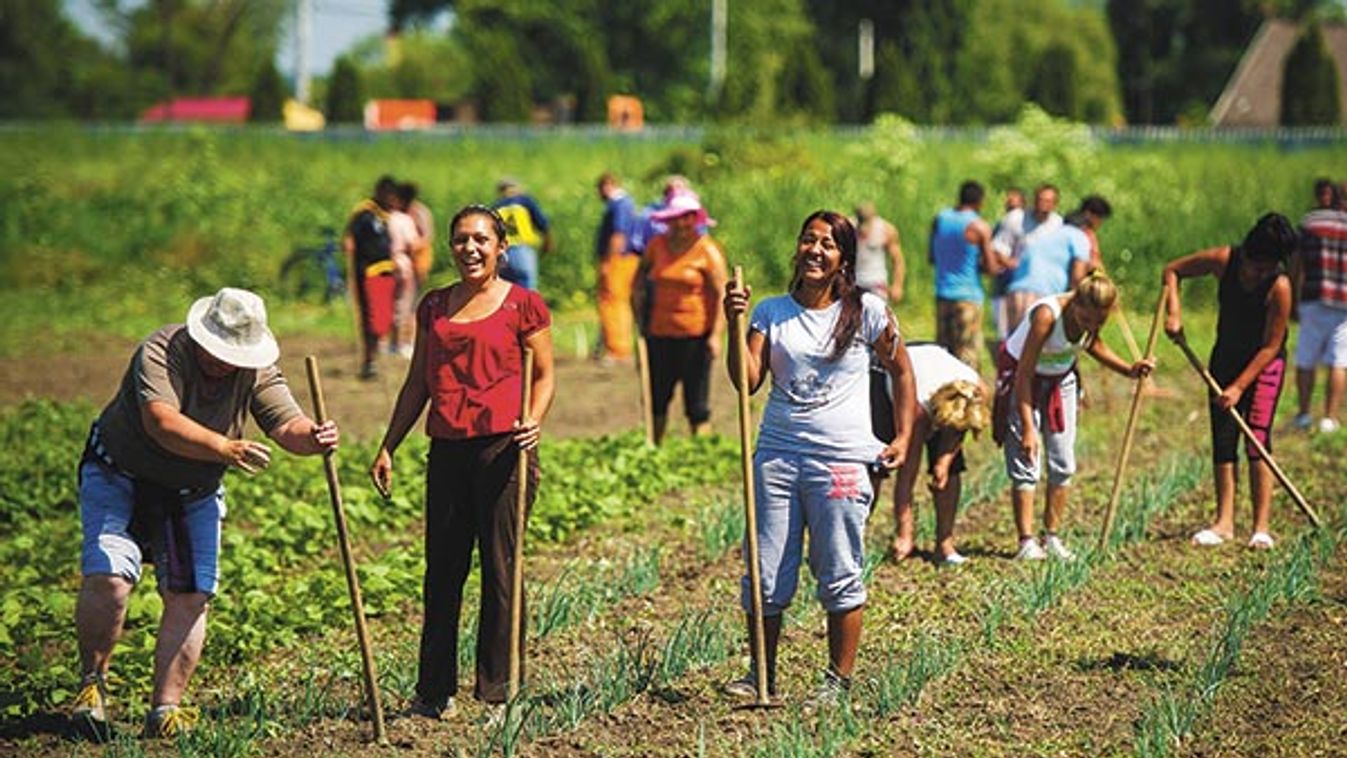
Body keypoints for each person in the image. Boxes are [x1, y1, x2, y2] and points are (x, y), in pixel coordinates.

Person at [70, 288, 339, 738]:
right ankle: (91, 687)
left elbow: (285, 424)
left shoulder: (255, 371)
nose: (221, 361)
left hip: (192, 487)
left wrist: (311, 437)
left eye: (232, 353)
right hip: (121, 472)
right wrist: (223, 446)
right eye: (215, 350)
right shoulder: (161, 351)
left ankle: (165, 708)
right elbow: (162, 422)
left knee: (191, 594)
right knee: (111, 578)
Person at [722, 210, 916, 705]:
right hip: (778, 459)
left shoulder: (868, 311)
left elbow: (903, 369)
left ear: (844, 259)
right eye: (808, 239)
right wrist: (732, 323)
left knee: (839, 568)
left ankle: (836, 682)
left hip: (844, 463)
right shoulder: (768, 312)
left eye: (828, 244)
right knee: (766, 572)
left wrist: (903, 435)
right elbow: (746, 381)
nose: (815, 250)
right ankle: (760, 674)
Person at [370, 205, 555, 718]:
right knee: (442, 573)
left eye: (480, 240)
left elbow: (543, 376)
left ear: (501, 248)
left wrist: (534, 419)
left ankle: (499, 688)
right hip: (448, 449)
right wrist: (390, 443)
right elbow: (418, 383)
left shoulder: (524, 306)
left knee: (501, 570)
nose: (469, 249)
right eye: (460, 240)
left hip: (504, 450)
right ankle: (433, 693)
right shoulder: (434, 308)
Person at [993, 273, 1153, 560]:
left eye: (1098, 322)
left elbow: (1093, 344)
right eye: (1086, 319)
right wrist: (1028, 427)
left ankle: (1051, 537)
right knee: (1026, 458)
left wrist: (1129, 369)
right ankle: (1026, 541)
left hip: (1061, 380)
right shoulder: (1047, 316)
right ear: (1075, 304)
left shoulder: (1092, 320)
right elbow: (1024, 375)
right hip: (1023, 381)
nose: (1091, 326)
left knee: (1063, 461)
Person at [1163, 214, 1296, 549]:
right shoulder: (1224, 260)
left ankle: (1261, 527)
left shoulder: (1279, 287)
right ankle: (1224, 523)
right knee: (1223, 439)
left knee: (1256, 439)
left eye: (1266, 268)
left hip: (1264, 366)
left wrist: (1239, 387)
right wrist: (1174, 312)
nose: (1257, 274)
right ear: (1247, 253)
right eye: (1254, 265)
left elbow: (1271, 346)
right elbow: (1172, 270)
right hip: (1223, 359)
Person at [875, 343, 991, 565]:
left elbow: (961, 427)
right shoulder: (918, 408)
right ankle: (903, 539)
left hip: (935, 363)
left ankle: (944, 546)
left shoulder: (976, 393)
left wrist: (944, 462)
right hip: (897, 378)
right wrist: (904, 533)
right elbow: (906, 477)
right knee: (889, 467)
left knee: (952, 470)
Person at [633, 193, 729, 442]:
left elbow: (722, 294)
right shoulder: (656, 246)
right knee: (657, 397)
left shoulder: (707, 250)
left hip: (696, 335)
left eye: (686, 219)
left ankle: (701, 453)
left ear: (694, 220)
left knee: (696, 402)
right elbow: (639, 280)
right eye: (675, 219)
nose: (680, 225)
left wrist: (716, 335)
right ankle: (654, 447)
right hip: (659, 332)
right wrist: (638, 315)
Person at [1290, 179, 1347, 434]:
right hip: (1344, 301)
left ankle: (1303, 414)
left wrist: (1293, 296)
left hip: (1314, 297)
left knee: (1306, 358)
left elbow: (1296, 264)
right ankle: (1330, 418)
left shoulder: (1310, 222)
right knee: (1338, 361)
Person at [929, 181, 1002, 371]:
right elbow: (990, 267)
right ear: (979, 201)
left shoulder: (940, 219)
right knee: (967, 352)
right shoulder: (979, 227)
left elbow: (932, 257)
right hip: (968, 296)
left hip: (943, 293)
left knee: (943, 351)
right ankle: (969, 396)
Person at [1003, 202, 1096, 332]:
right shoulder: (1079, 236)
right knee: (1036, 346)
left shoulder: (1050, 235)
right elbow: (1077, 275)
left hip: (1016, 291)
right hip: (1041, 293)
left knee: (1013, 345)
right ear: (1085, 227)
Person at [344, 176, 399, 379]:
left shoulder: (387, 216)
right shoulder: (365, 214)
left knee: (383, 317)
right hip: (368, 273)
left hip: (386, 271)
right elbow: (350, 236)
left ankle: (376, 355)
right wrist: (349, 245)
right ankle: (369, 360)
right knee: (370, 317)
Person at [996, 184, 1063, 333]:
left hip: (1048, 287)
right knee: (1018, 332)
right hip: (1020, 286)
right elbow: (999, 248)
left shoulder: (1058, 224)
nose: (1043, 204)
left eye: (1048, 201)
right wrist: (1014, 264)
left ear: (1055, 204)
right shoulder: (1016, 219)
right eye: (1040, 200)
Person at [594, 172, 640, 363]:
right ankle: (616, 346)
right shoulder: (625, 203)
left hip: (618, 260)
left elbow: (618, 235)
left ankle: (618, 349)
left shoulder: (620, 204)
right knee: (617, 301)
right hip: (625, 259)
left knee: (613, 302)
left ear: (608, 185)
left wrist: (609, 261)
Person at [492, 177, 554, 291]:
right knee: (527, 290)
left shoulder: (496, 207)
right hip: (523, 250)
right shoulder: (525, 201)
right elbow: (543, 223)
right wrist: (548, 242)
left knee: (506, 291)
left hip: (502, 253)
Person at [389, 185, 423, 359]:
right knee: (405, 305)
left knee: (393, 304)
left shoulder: (387, 217)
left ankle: (392, 343)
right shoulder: (404, 220)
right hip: (403, 263)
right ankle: (403, 344)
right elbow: (413, 244)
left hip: (387, 264)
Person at [990, 187, 1026, 341]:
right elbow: (995, 249)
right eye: (1008, 202)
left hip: (1016, 284)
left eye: (1014, 202)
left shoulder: (1021, 222)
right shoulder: (1003, 223)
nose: (1010, 206)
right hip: (1005, 283)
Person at [853, 201, 905, 303]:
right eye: (860, 222)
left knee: (876, 316)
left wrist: (897, 286)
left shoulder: (886, 230)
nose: (863, 228)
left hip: (877, 284)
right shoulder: (849, 227)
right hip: (854, 283)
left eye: (866, 223)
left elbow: (897, 261)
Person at [402, 182, 435, 290]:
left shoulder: (420, 212)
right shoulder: (401, 211)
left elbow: (428, 236)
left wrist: (415, 246)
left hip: (420, 254)